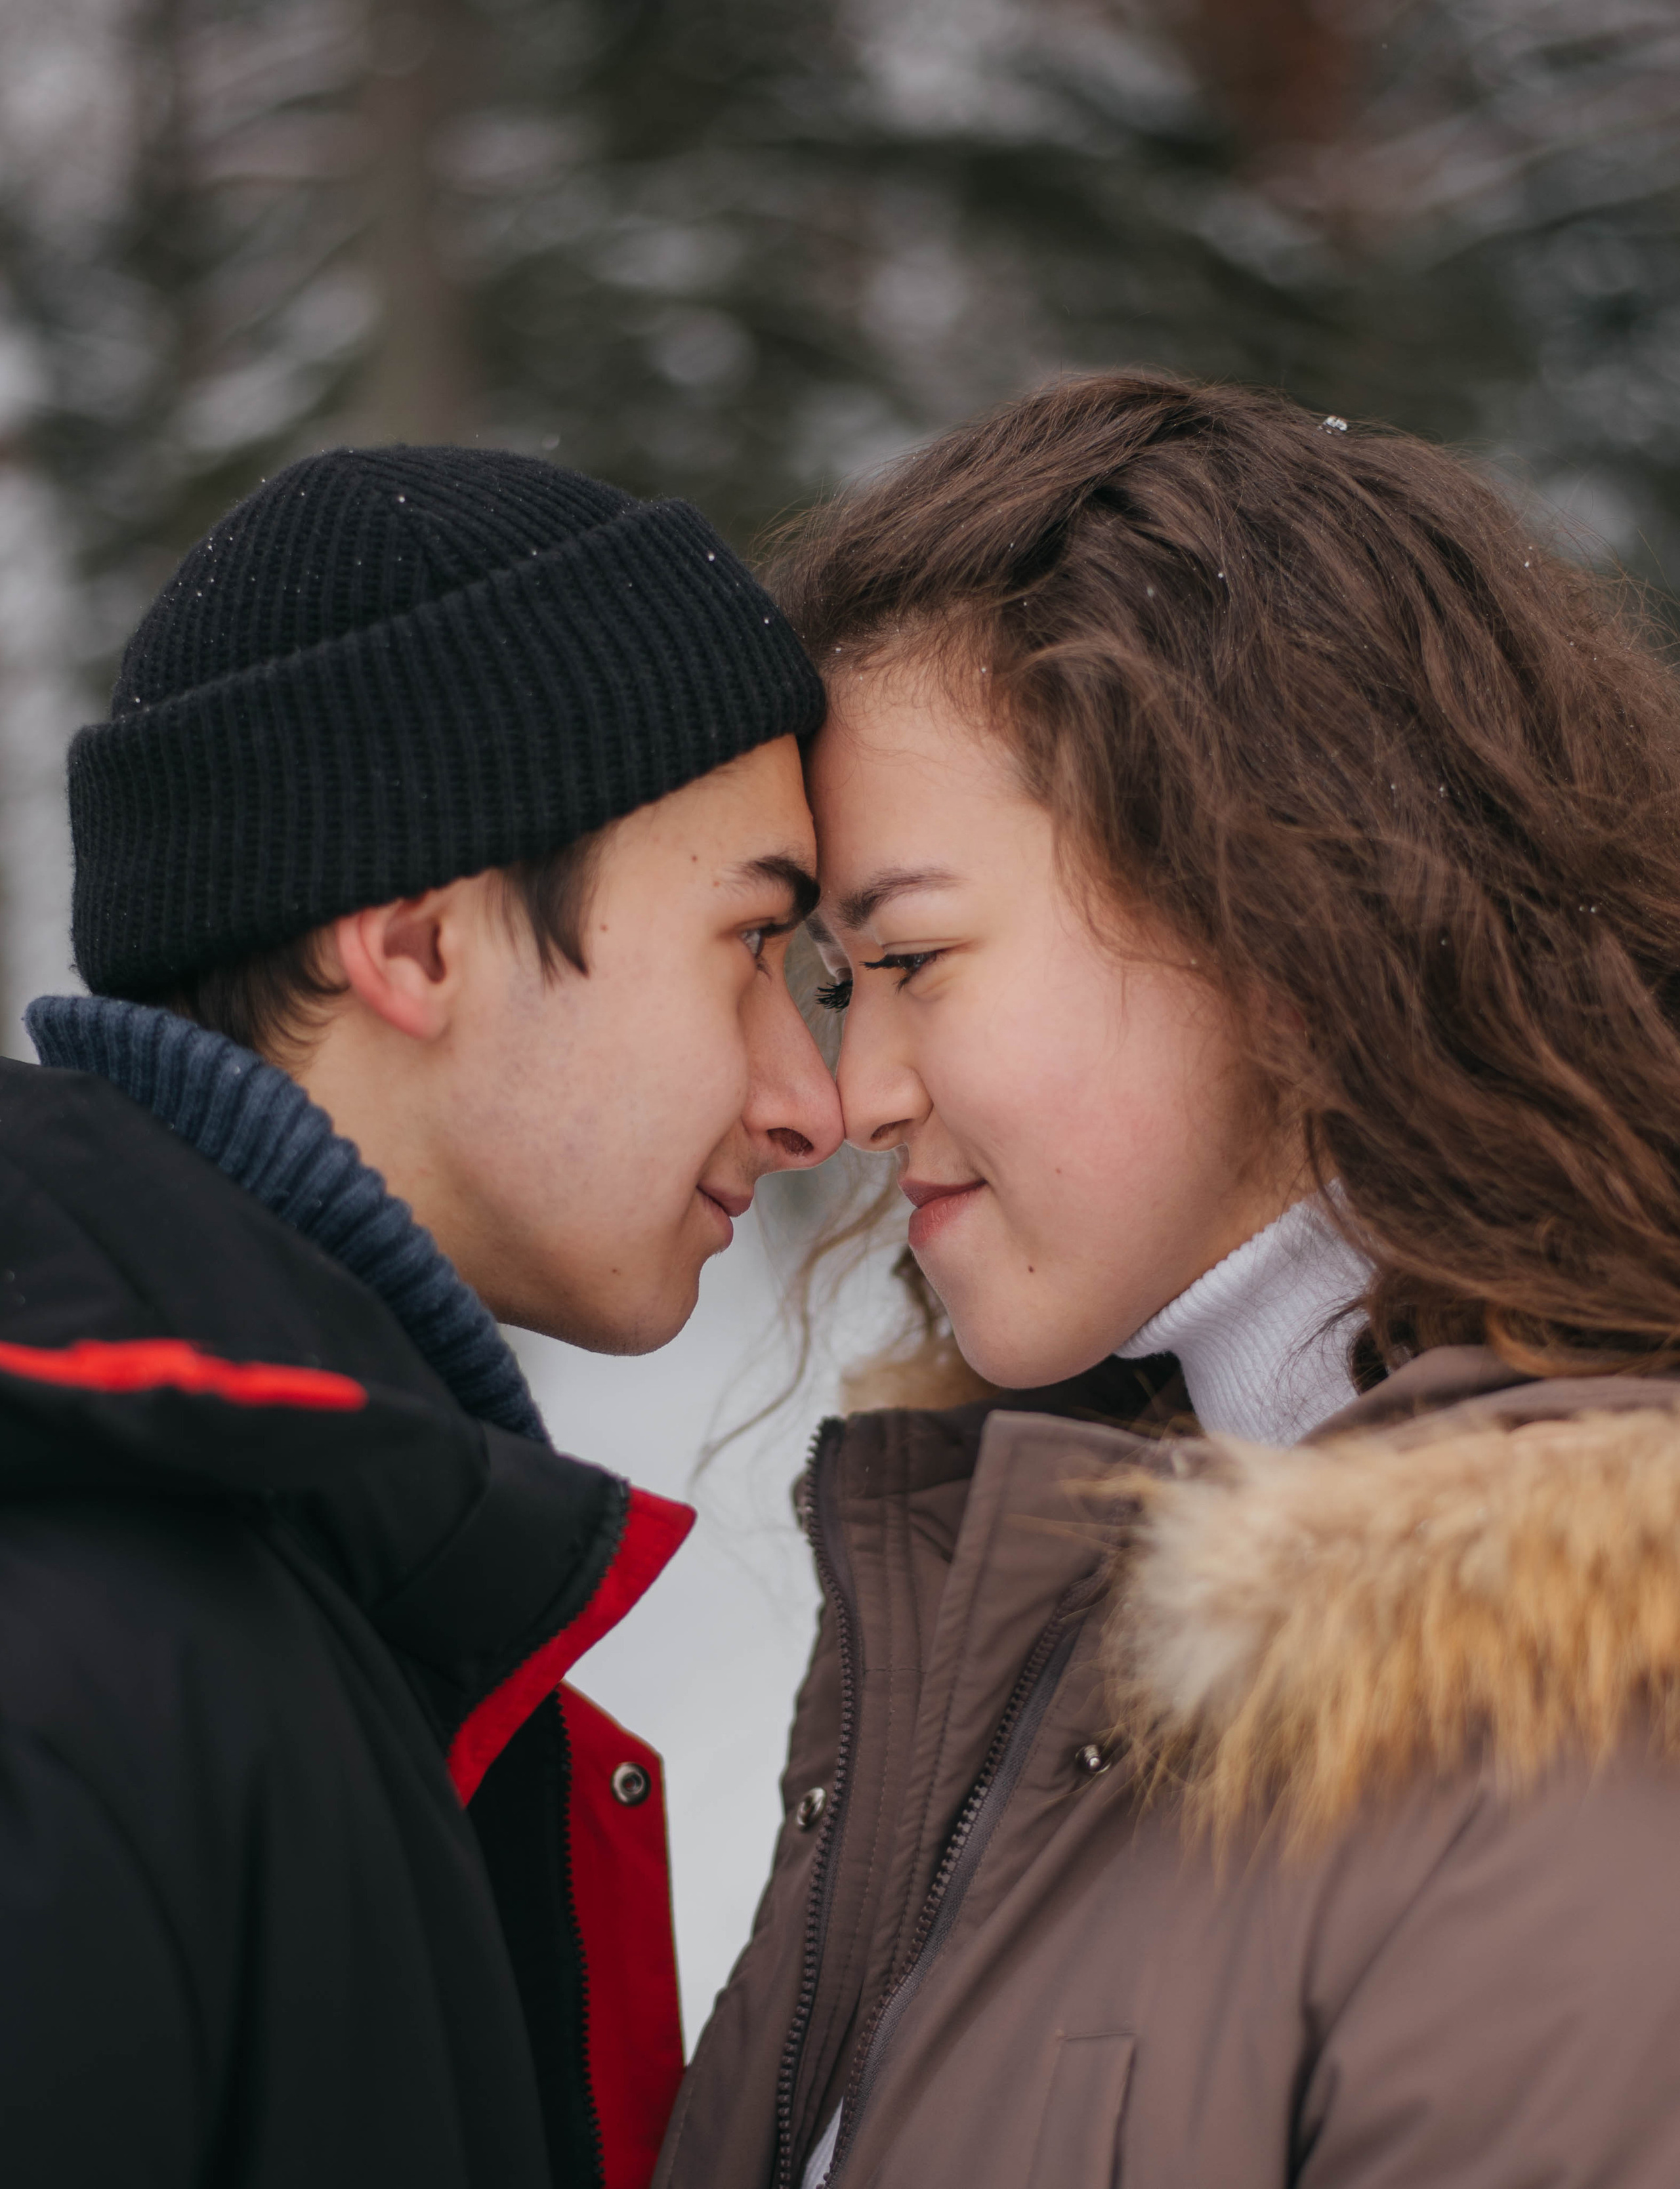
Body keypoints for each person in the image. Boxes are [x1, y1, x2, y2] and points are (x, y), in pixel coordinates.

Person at [654, 375, 1680, 2189]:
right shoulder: (1047, 1581)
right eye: (833, 977)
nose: (848, 1095)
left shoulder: (1587, 1724)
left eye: (910, 959)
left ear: (1274, 911)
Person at [0, 446, 843, 2189]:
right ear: (415, 946)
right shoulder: (81, 1646)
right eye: (750, 944)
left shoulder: (339, 1579)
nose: (806, 1101)